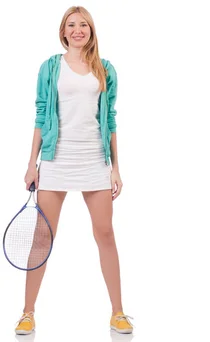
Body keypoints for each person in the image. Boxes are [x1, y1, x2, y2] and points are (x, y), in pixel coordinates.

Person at [15, 6, 133, 335]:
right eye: (72, 25)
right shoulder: (51, 67)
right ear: (63, 32)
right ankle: (27, 312)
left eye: (84, 25)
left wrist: (115, 168)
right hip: (56, 161)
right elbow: (41, 114)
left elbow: (110, 121)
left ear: (91, 31)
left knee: (105, 234)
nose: (78, 29)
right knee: (42, 238)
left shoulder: (105, 69)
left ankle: (118, 312)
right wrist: (32, 163)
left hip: (94, 162)